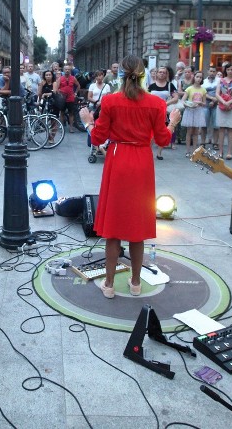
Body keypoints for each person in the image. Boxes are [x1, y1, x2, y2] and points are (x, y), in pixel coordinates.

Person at [78, 55, 181, 298]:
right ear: (144, 75)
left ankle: (110, 284)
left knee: (113, 228)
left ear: (121, 75)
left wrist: (87, 122)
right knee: (137, 227)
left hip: (117, 157)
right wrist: (173, 122)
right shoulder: (156, 104)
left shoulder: (111, 101)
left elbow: (97, 139)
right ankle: (135, 283)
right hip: (142, 162)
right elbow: (163, 140)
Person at [147, 66, 179, 159]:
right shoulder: (151, 86)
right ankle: (148, 150)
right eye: (160, 72)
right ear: (156, 73)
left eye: (164, 72)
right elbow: (146, 97)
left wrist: (165, 103)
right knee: (150, 132)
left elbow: (176, 98)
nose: (162, 74)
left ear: (166, 74)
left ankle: (159, 153)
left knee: (162, 131)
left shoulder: (170, 85)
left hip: (164, 112)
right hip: (152, 111)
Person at [215, 64, 232, 160]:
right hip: (221, 106)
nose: (230, 71)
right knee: (221, 129)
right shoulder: (221, 80)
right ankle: (220, 151)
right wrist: (224, 102)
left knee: (231, 129)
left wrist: (229, 102)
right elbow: (217, 93)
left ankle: (230, 152)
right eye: (228, 69)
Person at [180, 71, 207, 156]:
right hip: (190, 111)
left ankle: (194, 151)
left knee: (196, 131)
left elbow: (204, 102)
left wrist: (200, 103)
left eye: (200, 77)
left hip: (198, 111)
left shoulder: (203, 89)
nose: (198, 79)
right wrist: (187, 104)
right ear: (194, 77)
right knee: (189, 131)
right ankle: (188, 151)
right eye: (197, 77)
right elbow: (183, 100)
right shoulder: (189, 89)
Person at [55, 64, 80, 132]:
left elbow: (78, 86)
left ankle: (71, 127)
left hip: (70, 98)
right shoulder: (60, 78)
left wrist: (75, 93)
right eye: (66, 69)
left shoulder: (73, 78)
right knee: (62, 112)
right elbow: (56, 88)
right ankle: (62, 126)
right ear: (63, 70)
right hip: (62, 98)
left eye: (68, 69)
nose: (67, 71)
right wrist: (59, 94)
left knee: (71, 113)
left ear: (70, 70)